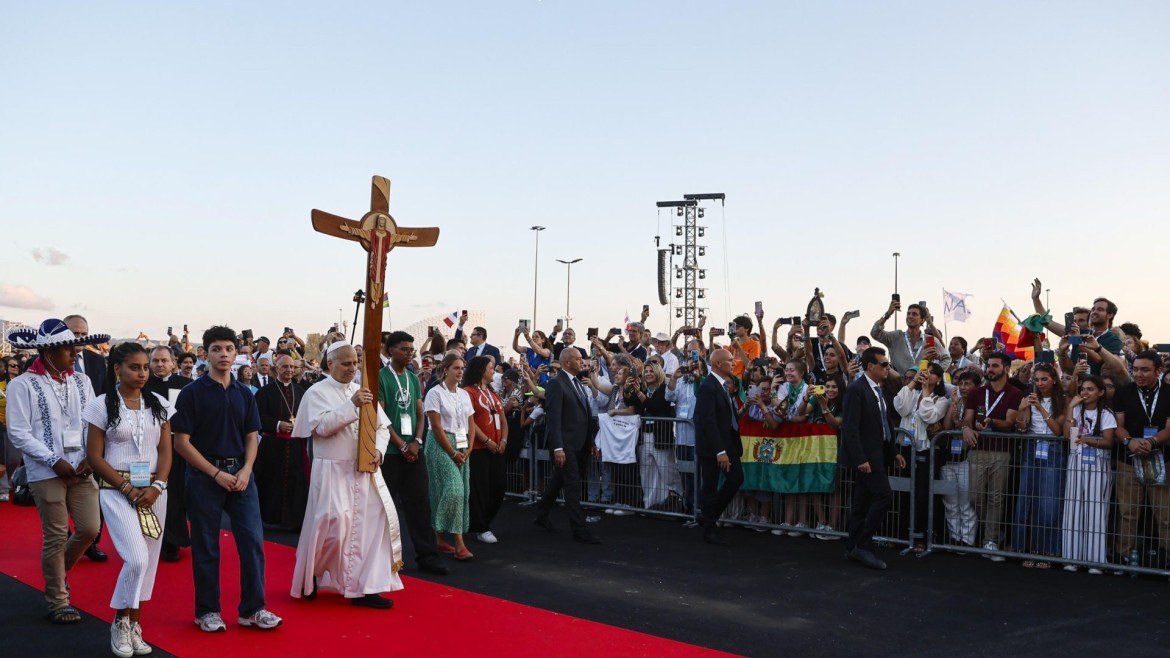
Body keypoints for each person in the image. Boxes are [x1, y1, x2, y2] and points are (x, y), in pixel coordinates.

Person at [171, 326, 282, 633]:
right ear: (205, 354)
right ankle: (206, 610)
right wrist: (215, 473)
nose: (223, 354)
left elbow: (252, 436)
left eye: (229, 349)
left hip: (243, 477)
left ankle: (253, 609)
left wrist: (246, 471)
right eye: (217, 349)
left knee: (252, 543)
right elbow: (181, 443)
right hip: (205, 477)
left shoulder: (244, 394)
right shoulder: (192, 393)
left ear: (236, 353)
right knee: (206, 546)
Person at [290, 342, 403, 609]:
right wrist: (351, 406)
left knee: (371, 528)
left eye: (355, 363)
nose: (352, 368)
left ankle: (366, 588)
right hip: (331, 470)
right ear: (330, 364)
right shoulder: (317, 392)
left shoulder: (361, 391)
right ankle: (313, 575)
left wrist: (378, 450)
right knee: (332, 526)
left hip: (363, 471)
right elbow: (322, 427)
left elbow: (383, 428)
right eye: (346, 363)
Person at [6, 319, 105, 624]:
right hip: (45, 471)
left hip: (82, 467)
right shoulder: (21, 384)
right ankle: (58, 599)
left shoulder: (81, 381)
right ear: (48, 352)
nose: (76, 352)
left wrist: (92, 455)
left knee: (90, 529)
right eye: (68, 348)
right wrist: (53, 460)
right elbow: (18, 432)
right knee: (56, 534)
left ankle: (58, 574)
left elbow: (93, 421)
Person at [83, 343, 174, 657]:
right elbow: (94, 456)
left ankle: (135, 624)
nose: (142, 373)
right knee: (136, 558)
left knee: (148, 565)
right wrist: (125, 488)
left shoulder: (159, 404)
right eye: (135, 367)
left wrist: (158, 486)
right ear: (116, 368)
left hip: (154, 493)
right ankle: (120, 621)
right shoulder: (100, 405)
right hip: (116, 491)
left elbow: (165, 451)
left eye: (146, 367)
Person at [377, 331, 450, 575]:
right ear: (390, 350)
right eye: (404, 349)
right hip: (390, 453)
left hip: (413, 451)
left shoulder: (411, 377)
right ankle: (382, 560)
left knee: (420, 505)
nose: (409, 353)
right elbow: (382, 417)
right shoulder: (380, 377)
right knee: (385, 509)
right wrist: (401, 445)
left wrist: (417, 441)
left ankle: (428, 556)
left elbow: (420, 412)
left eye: (411, 349)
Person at [840, 346, 905, 570]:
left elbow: (884, 423)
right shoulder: (856, 390)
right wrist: (860, 458)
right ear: (871, 366)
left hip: (878, 453)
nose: (888, 368)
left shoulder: (878, 389)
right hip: (867, 457)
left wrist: (894, 452)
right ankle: (863, 545)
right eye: (884, 364)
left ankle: (852, 546)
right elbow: (850, 428)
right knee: (884, 495)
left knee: (861, 503)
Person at [534, 347, 602, 544]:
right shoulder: (557, 384)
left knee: (558, 481)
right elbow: (554, 418)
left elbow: (586, 415)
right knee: (572, 486)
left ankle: (541, 514)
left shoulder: (579, 384)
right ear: (567, 363)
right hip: (565, 446)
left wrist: (591, 442)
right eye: (578, 359)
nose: (582, 362)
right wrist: (558, 448)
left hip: (580, 443)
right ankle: (579, 529)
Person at [961, 351, 1024, 560]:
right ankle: (985, 535)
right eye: (988, 365)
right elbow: (967, 419)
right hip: (977, 450)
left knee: (996, 498)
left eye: (995, 366)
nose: (990, 369)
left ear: (1006, 369)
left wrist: (992, 422)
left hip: (1001, 451)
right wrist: (966, 429)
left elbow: (1009, 423)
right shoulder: (977, 393)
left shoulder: (1015, 393)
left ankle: (991, 540)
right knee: (975, 496)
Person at [1110, 350, 1170, 570]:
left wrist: (1152, 442)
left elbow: (1169, 429)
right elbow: (1118, 425)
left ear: (1159, 371)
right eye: (1135, 369)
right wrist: (1130, 442)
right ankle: (1123, 557)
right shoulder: (1123, 392)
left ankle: (1167, 558)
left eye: (1144, 369)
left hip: (1163, 460)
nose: (1138, 374)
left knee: (1165, 515)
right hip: (1128, 459)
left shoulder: (1169, 393)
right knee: (1127, 513)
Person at [424, 354, 482, 559]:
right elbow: (436, 426)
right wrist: (452, 451)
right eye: (456, 368)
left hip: (463, 443)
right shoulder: (434, 393)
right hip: (440, 445)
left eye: (462, 368)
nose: (460, 371)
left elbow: (472, 422)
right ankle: (459, 544)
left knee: (461, 492)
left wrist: (469, 448)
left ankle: (440, 539)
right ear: (445, 369)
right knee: (453, 489)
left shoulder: (465, 394)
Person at [1010, 362, 1067, 569]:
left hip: (1053, 450)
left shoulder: (1062, 400)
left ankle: (1048, 551)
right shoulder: (1028, 398)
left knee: (1049, 504)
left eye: (1044, 379)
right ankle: (1024, 549)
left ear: (1054, 379)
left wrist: (1041, 408)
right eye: (1037, 380)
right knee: (1026, 501)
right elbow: (1022, 428)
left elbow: (1058, 430)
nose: (1040, 383)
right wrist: (1022, 410)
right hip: (1030, 450)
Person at [1061, 375, 1116, 573]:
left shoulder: (1107, 413)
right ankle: (1072, 558)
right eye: (1083, 388)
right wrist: (1069, 408)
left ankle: (1095, 561)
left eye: (1090, 389)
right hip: (1076, 461)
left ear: (1100, 392)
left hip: (1098, 463)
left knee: (1096, 510)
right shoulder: (1076, 409)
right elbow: (1067, 434)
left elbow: (1109, 441)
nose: (1085, 392)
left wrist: (1088, 440)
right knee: (1073, 508)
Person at [893, 362, 950, 554]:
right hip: (907, 449)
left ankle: (923, 536)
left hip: (926, 452)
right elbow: (900, 407)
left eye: (933, 373)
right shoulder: (913, 394)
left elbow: (929, 416)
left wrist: (925, 391)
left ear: (939, 378)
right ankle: (903, 535)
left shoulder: (941, 400)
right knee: (904, 494)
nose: (928, 375)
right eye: (926, 372)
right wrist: (912, 384)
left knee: (923, 495)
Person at [144, 346, 193, 563]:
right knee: (149, 492)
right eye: (155, 361)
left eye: (164, 361)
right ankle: (148, 538)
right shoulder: (141, 385)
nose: (160, 365)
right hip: (148, 446)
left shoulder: (186, 386)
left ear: (174, 363)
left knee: (175, 495)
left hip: (177, 446)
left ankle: (172, 541)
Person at [694, 348, 744, 546]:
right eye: (730, 360)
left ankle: (709, 516)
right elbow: (708, 421)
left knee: (737, 478)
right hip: (714, 448)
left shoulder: (722, 385)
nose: (733, 362)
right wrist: (719, 451)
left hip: (727, 444)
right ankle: (709, 528)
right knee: (710, 486)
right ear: (717, 364)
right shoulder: (708, 386)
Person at [253, 354, 309, 531]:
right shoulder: (264, 392)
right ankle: (268, 518)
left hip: (296, 446)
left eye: (292, 367)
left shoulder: (301, 392)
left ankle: (294, 520)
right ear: (276, 368)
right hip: (272, 447)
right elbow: (256, 418)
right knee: (269, 482)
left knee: (296, 483)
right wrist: (277, 424)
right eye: (285, 367)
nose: (289, 370)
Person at [462, 355, 508, 544]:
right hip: (480, 448)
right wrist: (487, 440)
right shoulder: (468, 392)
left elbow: (503, 419)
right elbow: (469, 421)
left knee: (498, 488)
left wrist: (504, 439)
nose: (493, 371)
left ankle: (483, 522)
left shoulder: (493, 393)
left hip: (497, 448)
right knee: (480, 489)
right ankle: (481, 527)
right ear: (481, 370)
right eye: (491, 368)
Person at [638, 362, 684, 511]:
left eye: (651, 371)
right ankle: (650, 505)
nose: (648, 374)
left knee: (667, 470)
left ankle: (679, 502)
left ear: (658, 372)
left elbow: (656, 407)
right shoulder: (644, 389)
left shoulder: (664, 389)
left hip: (660, 436)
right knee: (647, 472)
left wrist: (641, 396)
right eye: (646, 371)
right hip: (645, 435)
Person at [870, 301, 950, 376]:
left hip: (922, 385)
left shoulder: (930, 340)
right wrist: (887, 314)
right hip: (899, 385)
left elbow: (947, 358)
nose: (910, 316)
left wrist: (933, 374)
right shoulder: (896, 336)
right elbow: (875, 333)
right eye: (908, 313)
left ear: (922, 320)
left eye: (914, 314)